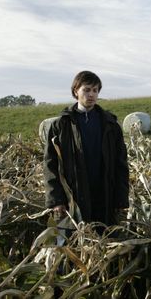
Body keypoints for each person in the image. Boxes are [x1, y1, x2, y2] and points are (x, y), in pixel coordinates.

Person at [43, 70, 129, 229]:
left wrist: (121, 199)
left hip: (104, 194)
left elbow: (121, 164)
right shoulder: (61, 125)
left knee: (104, 239)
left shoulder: (111, 124)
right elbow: (50, 165)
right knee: (75, 242)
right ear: (76, 91)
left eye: (95, 90)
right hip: (74, 197)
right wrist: (57, 200)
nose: (91, 95)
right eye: (87, 90)